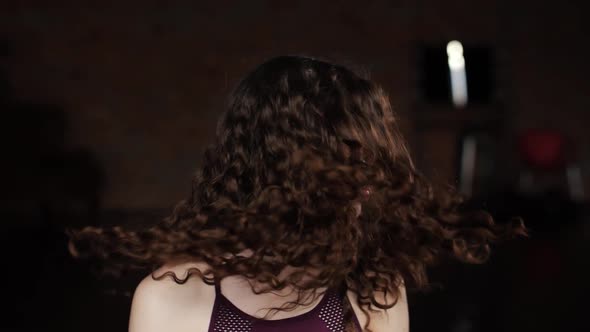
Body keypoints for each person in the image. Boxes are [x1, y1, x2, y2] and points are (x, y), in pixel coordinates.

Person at [69, 55, 525, 332]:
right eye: (346, 164)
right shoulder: (170, 297)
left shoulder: (374, 288)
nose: (367, 186)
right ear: (280, 170)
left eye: (368, 163)